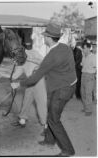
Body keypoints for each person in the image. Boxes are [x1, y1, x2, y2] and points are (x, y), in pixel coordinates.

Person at [11, 23, 77, 156]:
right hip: (69, 84)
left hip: (62, 89)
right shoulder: (64, 48)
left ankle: (68, 150)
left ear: (49, 38)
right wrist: (43, 67)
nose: (43, 38)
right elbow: (57, 65)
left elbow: (34, 78)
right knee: (52, 114)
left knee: (53, 119)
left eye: (45, 36)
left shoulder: (52, 56)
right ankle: (49, 140)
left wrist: (19, 84)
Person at [80, 40, 96, 116]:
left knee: (88, 94)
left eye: (85, 48)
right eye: (83, 48)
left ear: (89, 48)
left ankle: (89, 110)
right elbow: (82, 65)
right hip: (83, 76)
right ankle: (86, 107)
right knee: (82, 93)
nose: (83, 50)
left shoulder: (94, 57)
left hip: (90, 77)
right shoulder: (84, 56)